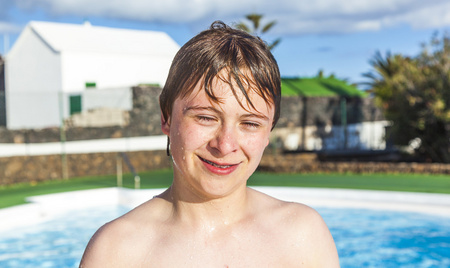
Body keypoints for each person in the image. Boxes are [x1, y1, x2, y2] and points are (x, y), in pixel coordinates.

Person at [80, 21, 340, 267]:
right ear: (166, 116)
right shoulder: (116, 252)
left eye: (250, 123)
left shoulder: (303, 237)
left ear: (269, 130)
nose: (225, 145)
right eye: (205, 117)